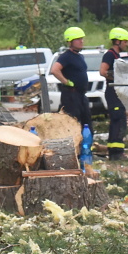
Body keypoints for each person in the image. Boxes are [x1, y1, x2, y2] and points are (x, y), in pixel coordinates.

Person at [50, 26, 93, 165]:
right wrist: (66, 82)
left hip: (81, 95)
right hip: (71, 95)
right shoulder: (66, 56)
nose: (81, 41)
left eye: (82, 38)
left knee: (86, 124)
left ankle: (85, 152)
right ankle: (74, 152)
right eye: (78, 39)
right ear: (70, 41)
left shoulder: (79, 56)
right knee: (74, 123)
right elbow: (54, 70)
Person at [100, 27, 128, 159]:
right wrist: (116, 78)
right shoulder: (109, 54)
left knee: (120, 120)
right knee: (117, 119)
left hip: (117, 92)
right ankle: (115, 153)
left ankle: (117, 150)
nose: (127, 44)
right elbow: (102, 71)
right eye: (125, 42)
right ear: (118, 41)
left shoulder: (117, 56)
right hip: (112, 92)